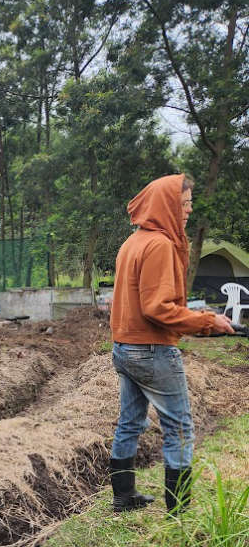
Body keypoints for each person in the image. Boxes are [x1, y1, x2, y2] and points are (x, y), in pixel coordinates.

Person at [109, 173, 234, 514]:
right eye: (184, 203)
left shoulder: (132, 242)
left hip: (125, 347)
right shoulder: (160, 245)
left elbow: (141, 301)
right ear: (165, 204)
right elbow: (157, 308)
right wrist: (208, 322)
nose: (189, 210)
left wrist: (195, 315)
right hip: (151, 350)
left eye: (190, 203)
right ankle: (178, 510)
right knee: (179, 427)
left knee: (130, 422)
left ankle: (123, 496)